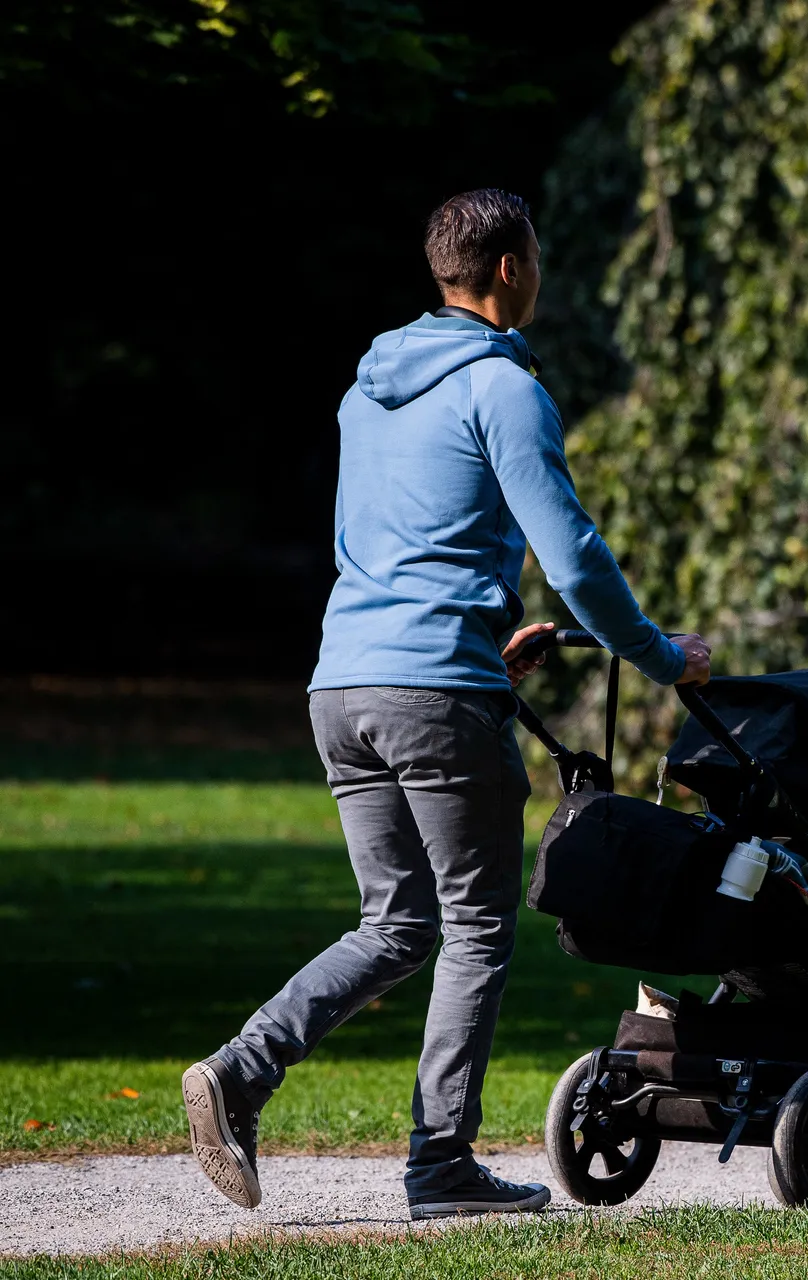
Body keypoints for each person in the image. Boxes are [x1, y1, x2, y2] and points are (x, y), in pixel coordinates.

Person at [180, 189, 711, 1218]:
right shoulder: (504, 390)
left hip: (344, 680)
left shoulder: (366, 387)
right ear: (509, 268)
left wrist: (473, 643)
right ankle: (440, 1163)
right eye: (538, 258)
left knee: (395, 921)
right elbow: (576, 558)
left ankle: (238, 1073)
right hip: (433, 689)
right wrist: (658, 654)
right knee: (473, 925)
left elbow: (370, 549)